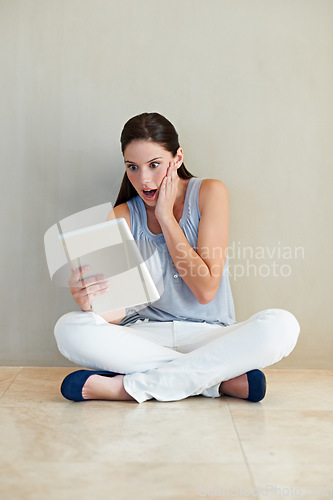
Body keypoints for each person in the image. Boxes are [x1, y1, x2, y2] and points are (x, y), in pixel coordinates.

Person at [55, 112, 300, 404]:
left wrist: (166, 218)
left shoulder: (210, 192)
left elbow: (205, 290)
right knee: (69, 329)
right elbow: (117, 314)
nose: (143, 179)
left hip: (210, 336)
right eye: (132, 167)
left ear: (178, 157)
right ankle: (215, 381)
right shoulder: (121, 216)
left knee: (283, 325)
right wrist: (90, 303)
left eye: (154, 165)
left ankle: (128, 388)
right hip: (145, 336)